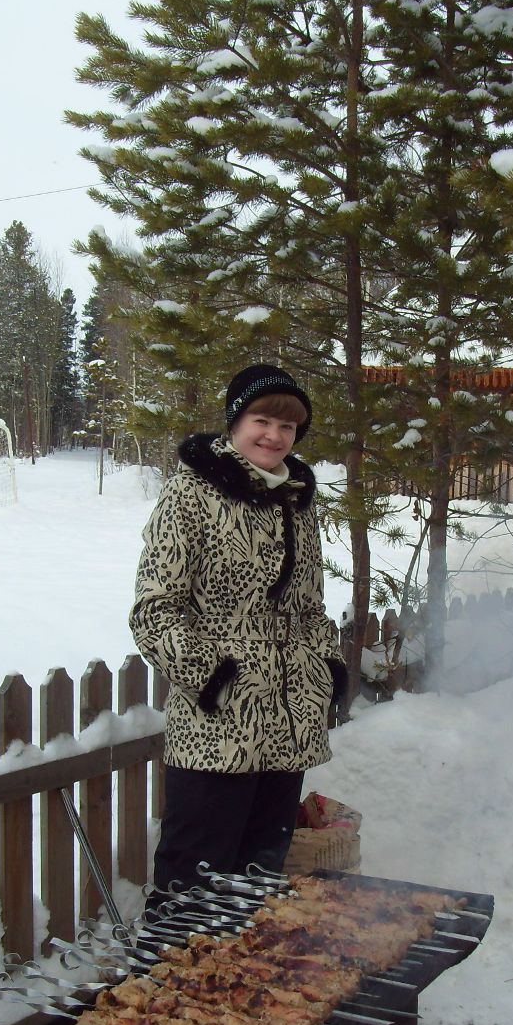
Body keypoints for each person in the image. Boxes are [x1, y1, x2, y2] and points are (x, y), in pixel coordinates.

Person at [129, 363, 347, 908]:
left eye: (288, 428)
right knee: (193, 882)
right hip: (217, 729)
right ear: (235, 422)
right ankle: (166, 988)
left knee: (257, 884)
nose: (274, 436)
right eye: (263, 420)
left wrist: (327, 667)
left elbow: (309, 606)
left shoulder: (298, 500)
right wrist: (215, 679)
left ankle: (239, 990)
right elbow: (154, 610)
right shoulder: (191, 495)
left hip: (289, 725)